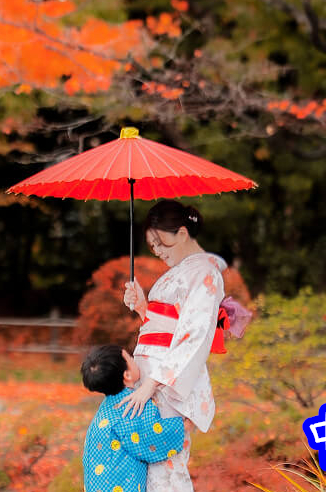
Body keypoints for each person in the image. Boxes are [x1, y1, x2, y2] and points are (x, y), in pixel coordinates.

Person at [120, 200, 228, 491]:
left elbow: (193, 335)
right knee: (146, 468)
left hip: (166, 382)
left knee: (166, 467)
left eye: (160, 241)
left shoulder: (206, 273)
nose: (156, 250)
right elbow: (164, 324)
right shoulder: (178, 272)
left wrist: (152, 384)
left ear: (182, 233)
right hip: (149, 375)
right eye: (151, 244)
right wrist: (143, 309)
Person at [81, 344, 186, 492]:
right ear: (127, 375)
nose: (134, 359)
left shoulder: (108, 408)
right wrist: (182, 425)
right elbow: (153, 439)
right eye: (131, 358)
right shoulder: (131, 407)